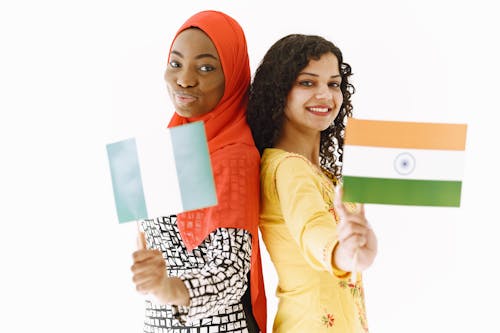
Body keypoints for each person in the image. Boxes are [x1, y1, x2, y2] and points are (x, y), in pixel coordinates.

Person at [130, 10, 267, 333]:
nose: (184, 79)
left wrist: (170, 289)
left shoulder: (235, 156)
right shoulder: (166, 146)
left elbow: (231, 273)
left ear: (232, 76)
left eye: (205, 67)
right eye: (175, 63)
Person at [247, 34, 377, 333]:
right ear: (280, 92)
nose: (325, 94)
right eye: (307, 82)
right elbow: (312, 230)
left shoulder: (322, 173)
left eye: (333, 83)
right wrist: (343, 252)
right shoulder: (289, 168)